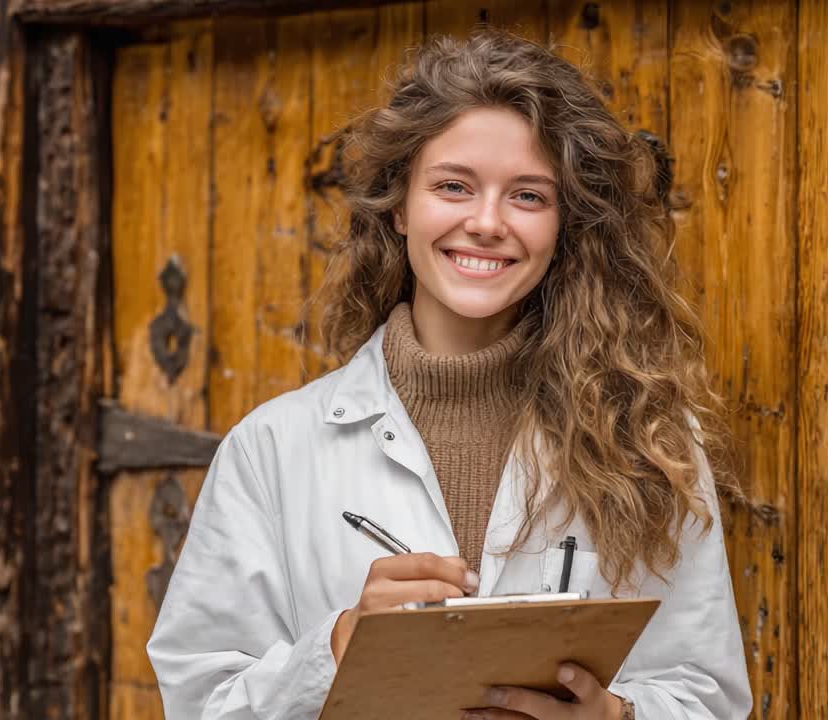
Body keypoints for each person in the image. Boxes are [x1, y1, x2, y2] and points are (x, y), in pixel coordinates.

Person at [148, 29, 751, 720]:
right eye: (453, 186)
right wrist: (339, 646)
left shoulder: (647, 440)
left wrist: (615, 717)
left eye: (528, 196)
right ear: (401, 206)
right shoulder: (272, 450)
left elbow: (706, 694)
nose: (486, 222)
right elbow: (201, 704)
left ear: (566, 226)